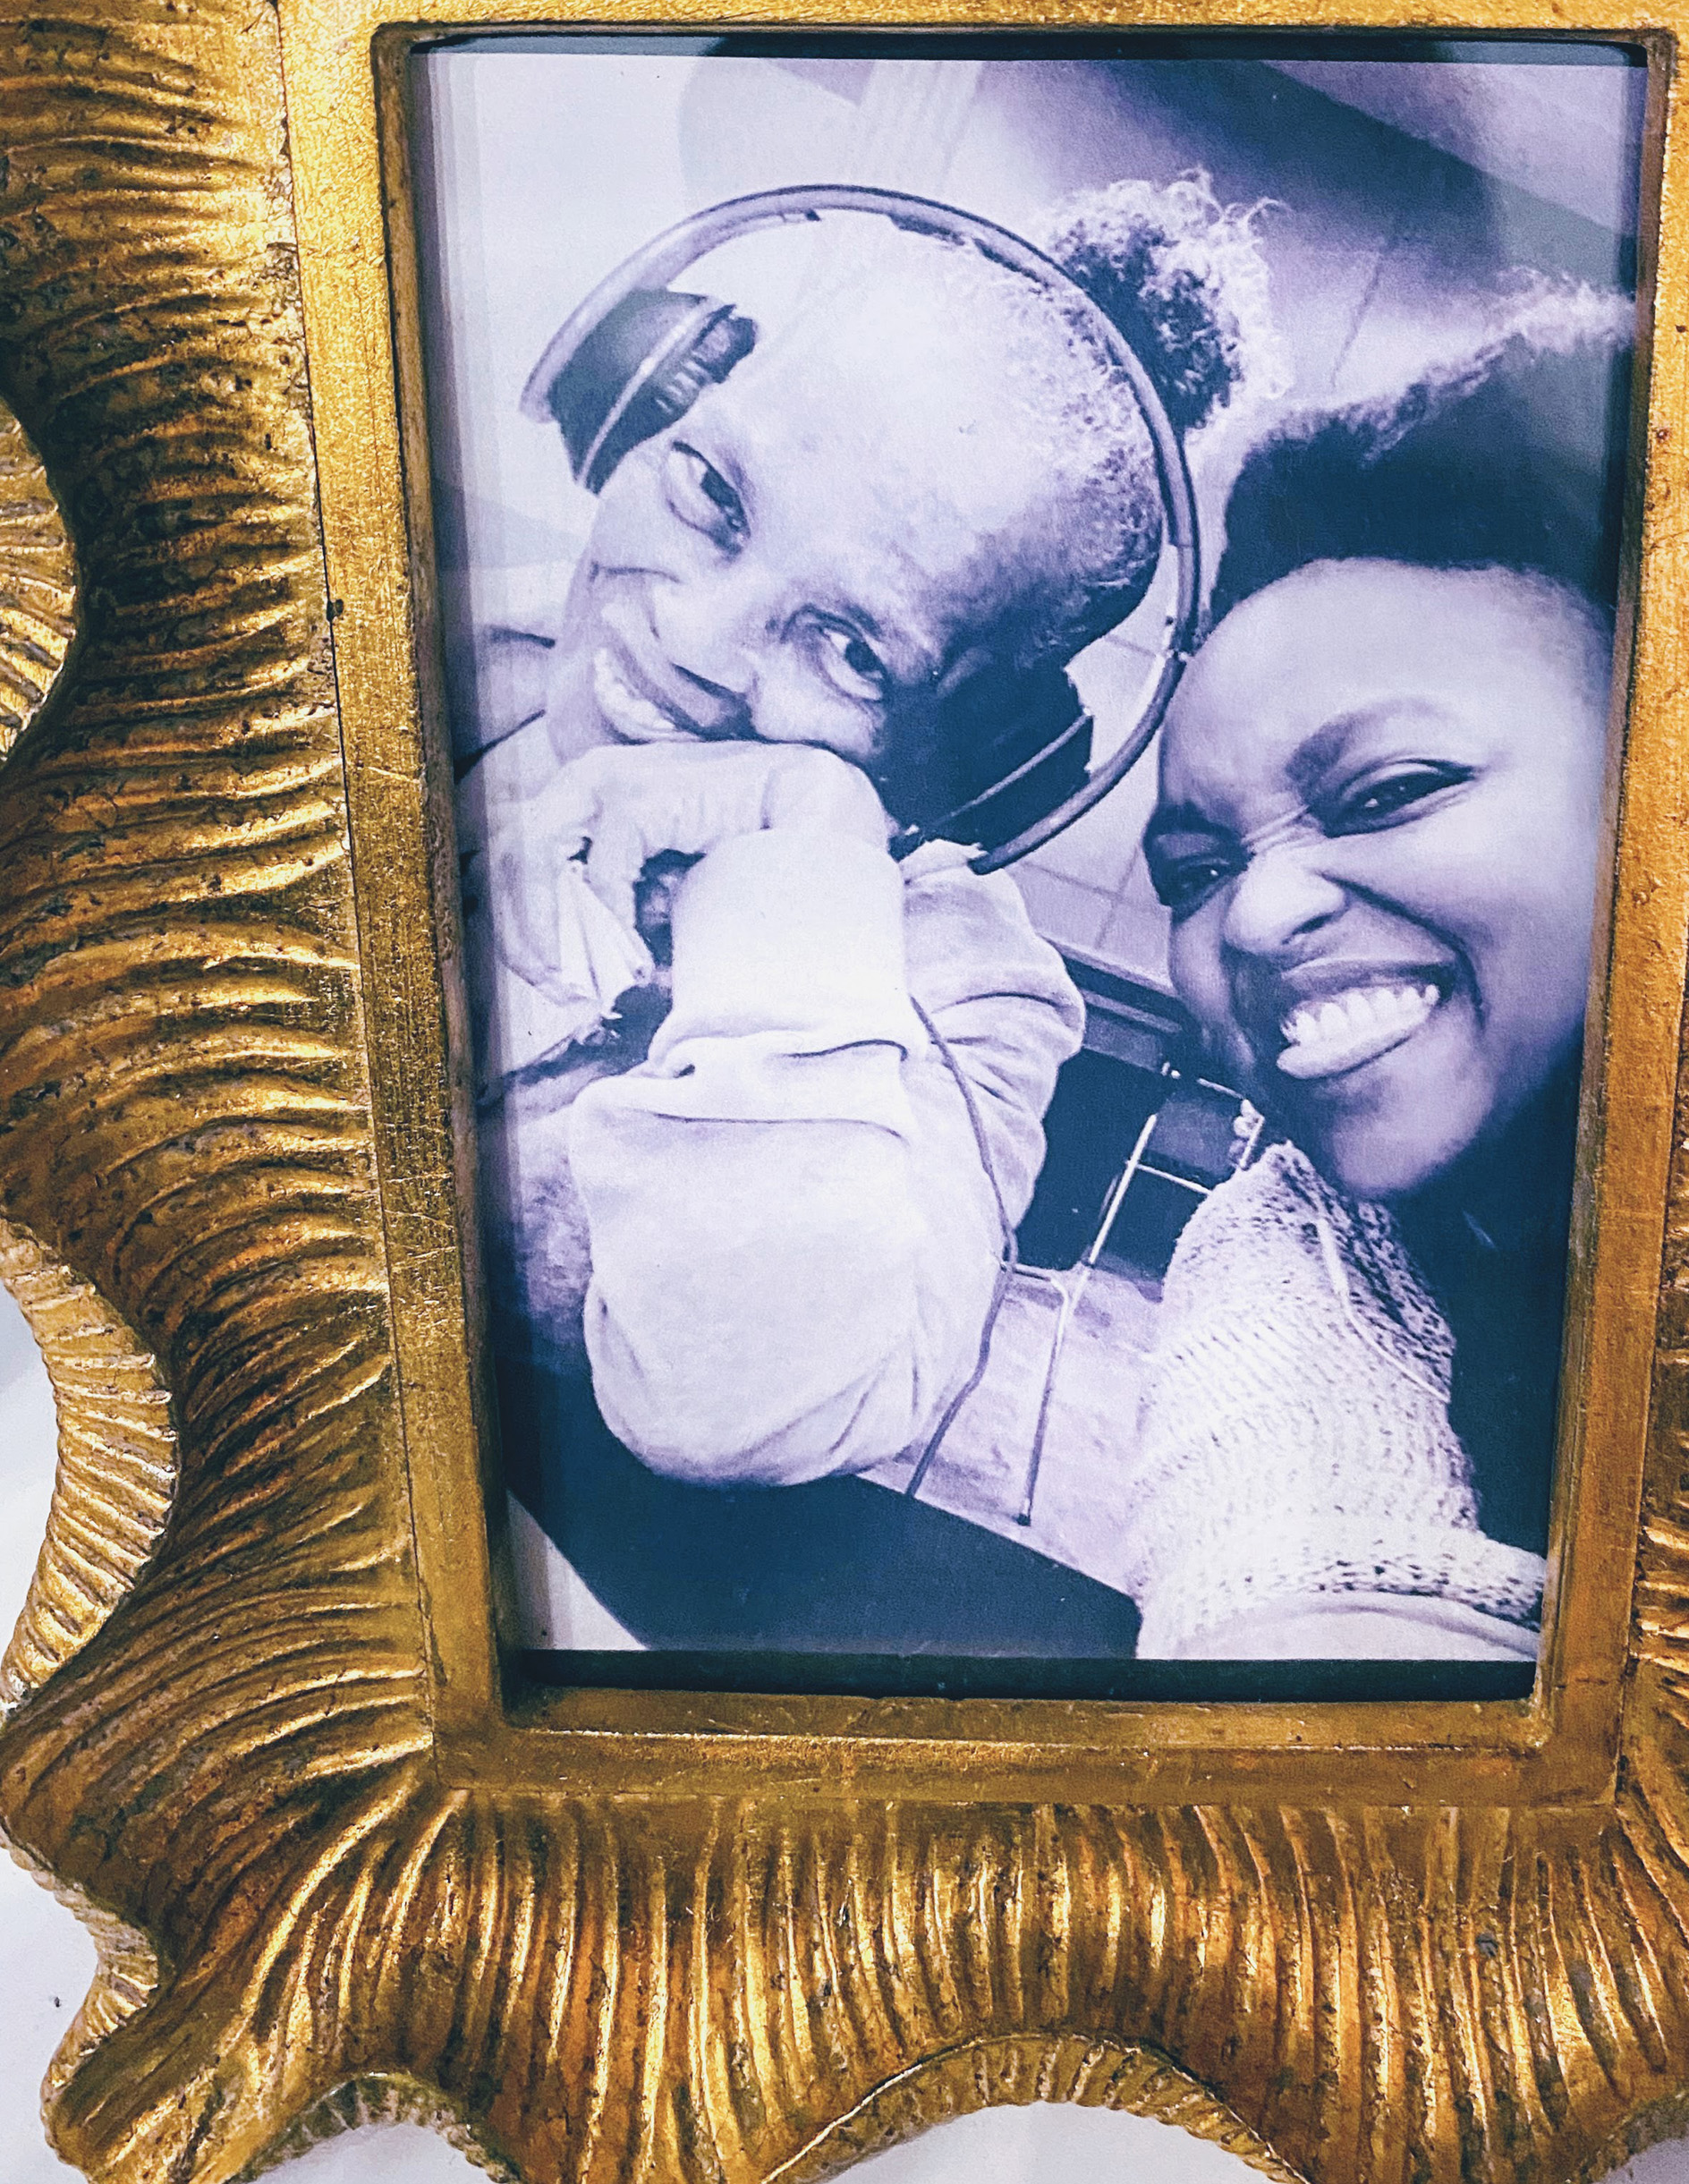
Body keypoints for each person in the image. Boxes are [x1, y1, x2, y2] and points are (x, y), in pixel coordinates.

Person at [458, 175, 1274, 1639]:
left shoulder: (970, 1007)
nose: (692, 639)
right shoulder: (404, 634)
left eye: (851, 647)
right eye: (712, 491)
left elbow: (744, 1396)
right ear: (648, 401)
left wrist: (803, 839)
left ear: (988, 760)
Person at [1128, 336, 1627, 1661]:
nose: (1256, 913)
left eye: (1390, 791)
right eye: (1197, 868)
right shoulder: (1299, 1241)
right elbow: (1294, 1618)